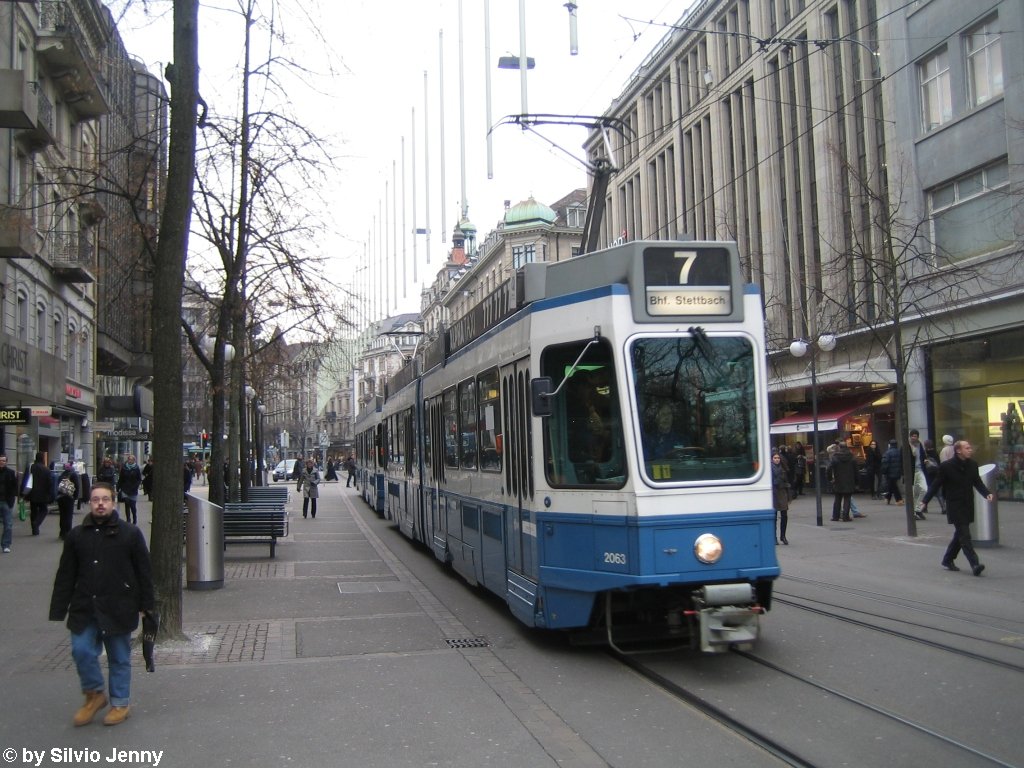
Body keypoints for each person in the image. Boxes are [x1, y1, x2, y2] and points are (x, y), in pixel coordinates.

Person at [48, 481, 155, 726]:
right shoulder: (77, 536)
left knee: (119, 657)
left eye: (105, 499)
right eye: (96, 499)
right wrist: (58, 607)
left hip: (119, 606)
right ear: (89, 503)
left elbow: (144, 572)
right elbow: (66, 574)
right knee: (81, 650)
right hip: (85, 606)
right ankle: (94, 693)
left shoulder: (130, 533)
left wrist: (147, 605)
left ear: (113, 502)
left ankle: (120, 703)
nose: (100, 504)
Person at [920, 440, 992, 576]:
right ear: (958, 451)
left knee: (960, 534)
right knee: (965, 535)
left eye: (970, 447)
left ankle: (947, 559)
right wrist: (925, 501)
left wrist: (987, 494)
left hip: (967, 504)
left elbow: (977, 482)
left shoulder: (972, 465)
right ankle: (975, 564)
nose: (970, 450)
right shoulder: (947, 466)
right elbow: (936, 484)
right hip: (954, 505)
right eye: (967, 448)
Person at [23, 451, 53, 536]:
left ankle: (34, 529)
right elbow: (50, 483)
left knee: (33, 511)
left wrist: (23, 493)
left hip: (32, 493)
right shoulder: (46, 470)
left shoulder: (31, 467)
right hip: (43, 495)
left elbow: (25, 480)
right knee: (44, 510)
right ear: (43, 458)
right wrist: (50, 494)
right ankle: (37, 523)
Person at [828, 442, 857, 522]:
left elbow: (829, 468)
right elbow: (856, 471)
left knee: (837, 499)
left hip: (838, 480)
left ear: (839, 447)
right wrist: (857, 482)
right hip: (849, 480)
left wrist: (830, 478)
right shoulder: (852, 457)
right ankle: (845, 517)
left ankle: (835, 516)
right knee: (847, 498)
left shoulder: (835, 457)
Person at [907, 429, 928, 519]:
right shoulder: (906, 446)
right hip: (911, 472)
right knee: (913, 494)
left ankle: (918, 509)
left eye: (915, 436)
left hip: (920, 470)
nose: (914, 438)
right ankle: (915, 512)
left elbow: (923, 455)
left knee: (924, 489)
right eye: (912, 436)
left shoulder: (920, 445)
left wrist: (925, 460)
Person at [56, 462, 81, 540]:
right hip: (69, 498)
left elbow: (57, 486)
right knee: (69, 515)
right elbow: (77, 486)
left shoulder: (62, 475)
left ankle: (62, 532)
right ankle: (68, 533)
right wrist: (75, 497)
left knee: (62, 515)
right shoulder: (73, 475)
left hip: (61, 497)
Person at [117, 455, 143, 525]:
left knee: (133, 505)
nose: (130, 461)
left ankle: (135, 519)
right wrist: (118, 488)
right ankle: (128, 519)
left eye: (131, 460)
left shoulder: (136, 468)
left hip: (133, 489)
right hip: (125, 488)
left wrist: (136, 485)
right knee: (127, 504)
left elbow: (139, 479)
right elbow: (121, 479)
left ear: (134, 460)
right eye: (129, 460)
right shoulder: (124, 468)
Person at [770, 452, 790, 545]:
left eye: (778, 458)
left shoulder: (784, 468)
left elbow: (787, 480)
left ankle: (783, 536)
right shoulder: (770, 469)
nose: (777, 459)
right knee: (774, 517)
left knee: (784, 515)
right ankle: (774, 537)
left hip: (782, 492)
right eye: (775, 458)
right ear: (772, 459)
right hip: (773, 493)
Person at [0, 455, 18, 553]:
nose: (1, 462)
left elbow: (15, 486)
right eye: (0, 461)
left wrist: (12, 499)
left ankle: (6, 545)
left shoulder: (11, 473)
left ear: (6, 462)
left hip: (6, 502)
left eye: (3, 461)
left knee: (8, 524)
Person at [880, 438, 903, 504]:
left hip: (890, 473)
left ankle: (899, 499)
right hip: (897, 472)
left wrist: (883, 471)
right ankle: (887, 498)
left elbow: (885, 463)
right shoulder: (899, 452)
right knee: (892, 485)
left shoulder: (887, 453)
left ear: (889, 445)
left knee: (893, 486)